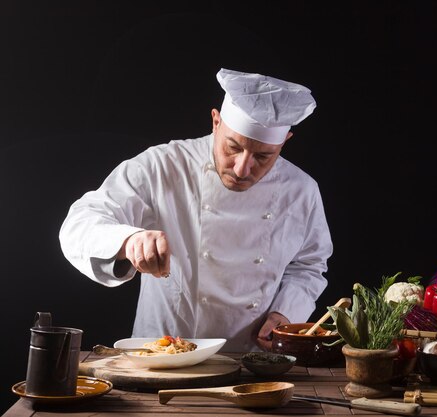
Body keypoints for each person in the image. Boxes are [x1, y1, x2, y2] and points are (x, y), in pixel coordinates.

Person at [59, 68, 333, 352]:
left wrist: (285, 312)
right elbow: (79, 224)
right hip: (162, 356)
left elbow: (310, 264)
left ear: (284, 142)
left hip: (251, 361)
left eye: (263, 156)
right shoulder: (163, 166)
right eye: (233, 148)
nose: (242, 168)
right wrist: (128, 241)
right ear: (216, 122)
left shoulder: (301, 190)